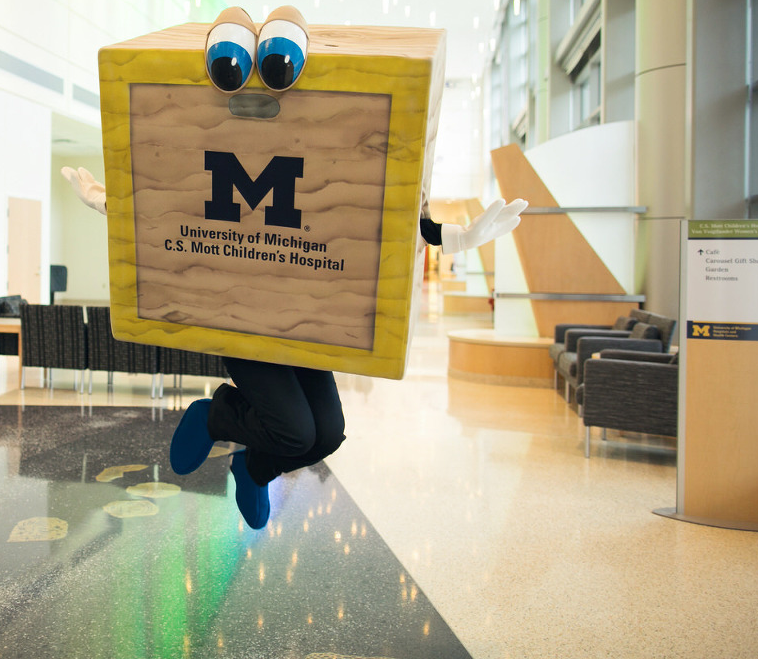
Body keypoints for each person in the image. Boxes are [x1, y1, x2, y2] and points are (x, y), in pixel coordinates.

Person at [61, 165, 525, 529]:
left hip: (304, 320)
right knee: (296, 433)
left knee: (327, 435)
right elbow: (181, 205)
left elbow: (381, 212)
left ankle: (254, 468)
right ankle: (216, 414)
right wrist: (109, 205)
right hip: (245, 316)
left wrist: (456, 237)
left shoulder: (332, 161)